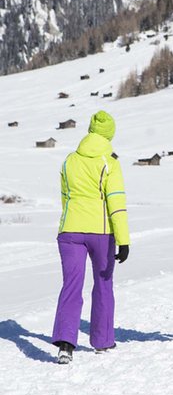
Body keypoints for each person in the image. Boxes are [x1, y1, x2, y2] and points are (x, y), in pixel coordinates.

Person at [52, 111, 129, 364]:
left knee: (71, 285)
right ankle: (103, 341)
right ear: (110, 134)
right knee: (103, 284)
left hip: (70, 230)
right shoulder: (110, 162)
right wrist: (124, 239)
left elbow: (66, 198)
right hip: (102, 232)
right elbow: (116, 202)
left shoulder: (69, 160)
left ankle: (65, 344)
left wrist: (71, 221)